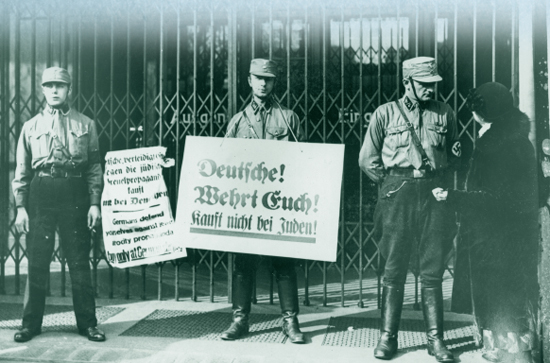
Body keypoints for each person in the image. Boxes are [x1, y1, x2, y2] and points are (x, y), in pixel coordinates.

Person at [359, 57, 461, 362]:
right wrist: (390, 184)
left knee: (432, 268)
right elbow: (367, 159)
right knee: (394, 268)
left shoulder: (445, 112)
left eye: (433, 84)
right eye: (424, 84)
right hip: (397, 195)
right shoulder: (385, 114)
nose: (430, 89)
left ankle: (435, 339)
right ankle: (388, 338)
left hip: (433, 195)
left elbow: (455, 153)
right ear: (407, 83)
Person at [432, 82, 538, 363]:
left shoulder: (493, 144)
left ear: (480, 113)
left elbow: (491, 198)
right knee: (511, 297)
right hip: (516, 236)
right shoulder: (520, 139)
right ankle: (512, 350)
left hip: (492, 237)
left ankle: (506, 352)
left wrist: (452, 197)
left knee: (498, 298)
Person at [12, 67, 106, 342]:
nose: (54, 90)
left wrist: (93, 203)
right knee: (37, 261)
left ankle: (88, 324)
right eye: (49, 85)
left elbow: (94, 167)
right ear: (42, 90)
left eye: (60, 86)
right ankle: (30, 324)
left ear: (69, 90)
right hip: (41, 194)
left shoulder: (86, 124)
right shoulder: (31, 127)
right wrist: (20, 207)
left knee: (78, 261)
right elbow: (21, 170)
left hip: (74, 195)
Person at [221, 58, 306, 344]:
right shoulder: (238, 122)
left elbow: (301, 161)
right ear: (249, 80)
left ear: (274, 82)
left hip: (278, 206)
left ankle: (290, 322)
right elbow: (225, 166)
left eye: (268, 79)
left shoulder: (289, 119)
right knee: (243, 264)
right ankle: (239, 319)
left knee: (284, 264)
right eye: (258, 78)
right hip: (247, 206)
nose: (263, 83)